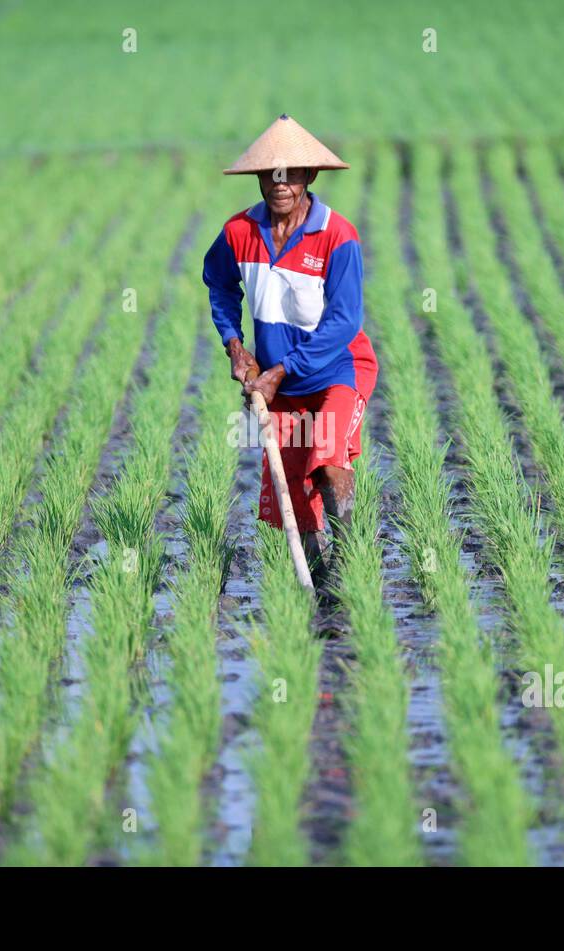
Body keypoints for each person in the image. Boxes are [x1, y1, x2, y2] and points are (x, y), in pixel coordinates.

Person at [202, 114, 378, 596]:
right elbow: (219, 282)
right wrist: (235, 346)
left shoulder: (337, 236)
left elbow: (344, 322)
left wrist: (280, 369)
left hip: (338, 370)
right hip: (279, 382)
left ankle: (347, 567)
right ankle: (319, 586)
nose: (280, 184)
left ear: (309, 178)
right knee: (292, 491)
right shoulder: (239, 232)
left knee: (328, 460)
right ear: (259, 179)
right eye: (271, 174)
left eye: (292, 174)